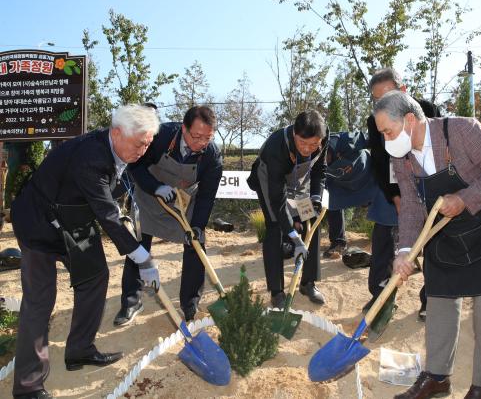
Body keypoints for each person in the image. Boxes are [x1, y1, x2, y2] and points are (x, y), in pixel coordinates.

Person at [375, 91, 481, 399]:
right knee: (439, 301)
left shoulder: (461, 130)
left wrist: (464, 199)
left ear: (410, 119)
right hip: (447, 234)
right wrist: (405, 251)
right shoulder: (400, 157)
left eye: (387, 130)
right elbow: (414, 206)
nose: (386, 138)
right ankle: (437, 377)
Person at [10, 105, 161, 399]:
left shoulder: (122, 150)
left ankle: (79, 349)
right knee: (40, 302)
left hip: (74, 220)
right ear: (116, 133)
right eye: (139, 143)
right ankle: (27, 388)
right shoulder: (91, 157)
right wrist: (143, 257)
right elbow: (108, 215)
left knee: (95, 277)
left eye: (147, 143)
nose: (143, 150)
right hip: (38, 223)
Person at [114, 105, 223, 325]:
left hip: (183, 202)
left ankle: (190, 305)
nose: (201, 143)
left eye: (207, 138)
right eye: (197, 136)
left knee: (196, 243)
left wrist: (198, 226)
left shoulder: (212, 156)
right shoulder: (160, 136)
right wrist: (156, 187)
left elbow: (207, 195)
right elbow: (136, 166)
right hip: (150, 196)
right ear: (184, 128)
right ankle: (131, 301)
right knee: (139, 246)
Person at [364, 68, 441, 321]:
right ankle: (380, 297)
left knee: (431, 243)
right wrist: (396, 197)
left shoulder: (427, 110)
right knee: (384, 240)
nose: (382, 103)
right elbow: (378, 161)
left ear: (404, 90)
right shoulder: (375, 122)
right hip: (392, 189)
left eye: (389, 94)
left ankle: (431, 298)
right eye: (377, 99)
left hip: (428, 188)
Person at [247, 110, 328, 309]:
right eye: (303, 143)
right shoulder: (276, 147)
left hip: (300, 181)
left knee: (311, 222)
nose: (308, 149)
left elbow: (319, 170)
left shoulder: (323, 138)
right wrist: (293, 235)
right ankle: (277, 292)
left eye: (313, 145)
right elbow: (278, 201)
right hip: (270, 179)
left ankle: (308, 283)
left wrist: (316, 197)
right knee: (275, 226)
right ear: (294, 134)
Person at [323, 131, 376, 258]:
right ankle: (338, 243)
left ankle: (395, 239)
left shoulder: (344, 140)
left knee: (385, 202)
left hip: (368, 177)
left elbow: (372, 139)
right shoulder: (317, 164)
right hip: (343, 186)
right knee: (331, 201)